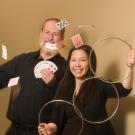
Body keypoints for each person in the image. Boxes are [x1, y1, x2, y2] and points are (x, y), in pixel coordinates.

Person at [38, 45, 135, 135]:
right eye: (73, 60)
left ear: (90, 63)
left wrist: (130, 66)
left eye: (83, 60)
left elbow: (124, 89)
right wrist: (50, 128)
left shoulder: (99, 84)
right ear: (69, 63)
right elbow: (55, 120)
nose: (77, 64)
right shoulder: (63, 87)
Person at [0, 18, 67, 135]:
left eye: (55, 34)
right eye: (47, 32)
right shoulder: (22, 60)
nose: (50, 37)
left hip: (43, 133)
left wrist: (54, 84)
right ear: (41, 34)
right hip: (14, 131)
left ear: (61, 39)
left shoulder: (66, 68)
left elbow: (68, 102)